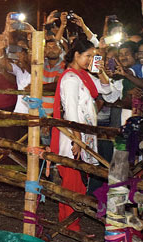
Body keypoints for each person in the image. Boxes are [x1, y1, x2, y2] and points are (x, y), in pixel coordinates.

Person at [51, 38, 111, 232]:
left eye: (93, 56)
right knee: (72, 184)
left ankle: (70, 224)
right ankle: (70, 226)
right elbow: (71, 113)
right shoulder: (70, 79)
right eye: (88, 56)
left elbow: (108, 90)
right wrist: (76, 140)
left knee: (78, 183)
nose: (90, 60)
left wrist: (100, 70)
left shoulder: (83, 76)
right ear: (76, 55)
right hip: (73, 138)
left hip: (82, 137)